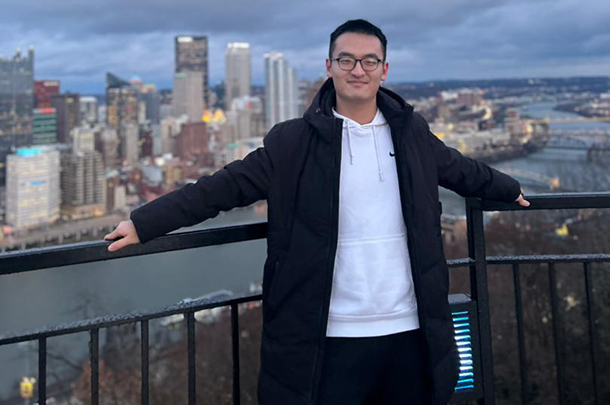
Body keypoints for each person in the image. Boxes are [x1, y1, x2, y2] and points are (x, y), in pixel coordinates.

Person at [105, 19, 530, 405]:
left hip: (411, 332)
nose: (357, 70)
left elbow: (460, 170)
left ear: (385, 70)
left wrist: (510, 190)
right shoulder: (293, 142)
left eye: (369, 61)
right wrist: (145, 223)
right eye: (347, 60)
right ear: (329, 66)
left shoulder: (412, 133)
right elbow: (222, 187)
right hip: (328, 338)